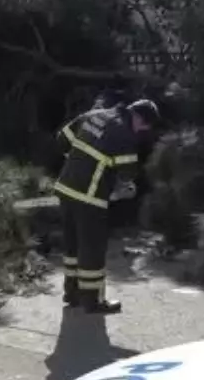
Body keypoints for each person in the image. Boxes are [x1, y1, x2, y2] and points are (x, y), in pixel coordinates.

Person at [55, 97, 160, 314]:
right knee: (92, 248)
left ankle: (72, 293)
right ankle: (93, 301)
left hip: (66, 188)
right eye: (143, 127)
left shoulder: (93, 115)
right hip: (89, 197)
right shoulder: (124, 134)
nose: (141, 132)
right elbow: (127, 173)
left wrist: (79, 163)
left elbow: (61, 140)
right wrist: (124, 190)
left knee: (73, 246)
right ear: (139, 118)